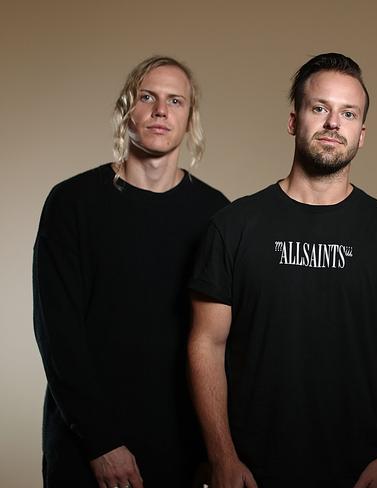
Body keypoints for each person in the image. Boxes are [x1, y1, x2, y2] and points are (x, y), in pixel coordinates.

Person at [188, 53, 377, 488]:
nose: (334, 123)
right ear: (293, 120)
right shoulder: (234, 227)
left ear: (362, 133)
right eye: (320, 108)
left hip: (356, 473)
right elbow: (207, 343)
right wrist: (221, 457)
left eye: (348, 113)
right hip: (250, 472)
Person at [33, 55, 229, 488]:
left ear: (189, 118)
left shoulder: (216, 214)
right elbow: (57, 334)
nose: (161, 110)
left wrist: (213, 452)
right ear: (128, 110)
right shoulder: (72, 203)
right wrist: (101, 443)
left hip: (180, 447)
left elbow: (221, 342)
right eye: (148, 97)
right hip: (86, 446)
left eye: (175, 101)